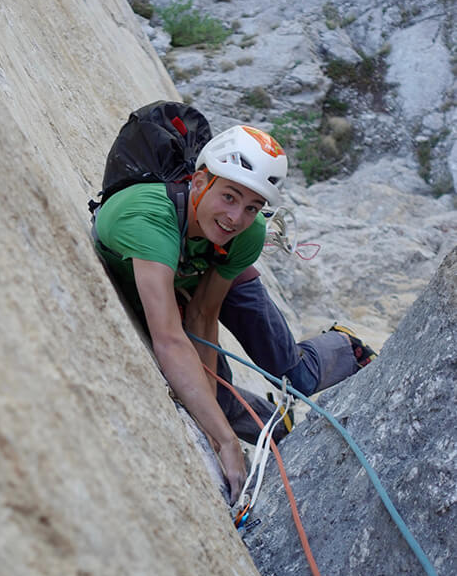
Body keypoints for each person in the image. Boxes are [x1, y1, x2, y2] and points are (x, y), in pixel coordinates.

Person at [93, 122, 375, 502]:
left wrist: (221, 437)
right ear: (198, 181)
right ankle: (274, 427)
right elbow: (172, 341)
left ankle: (345, 346)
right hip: (179, 269)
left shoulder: (246, 232)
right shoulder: (148, 221)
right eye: (229, 197)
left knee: (295, 376)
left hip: (216, 267)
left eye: (252, 207)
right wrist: (220, 436)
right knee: (208, 398)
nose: (236, 218)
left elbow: (203, 316)